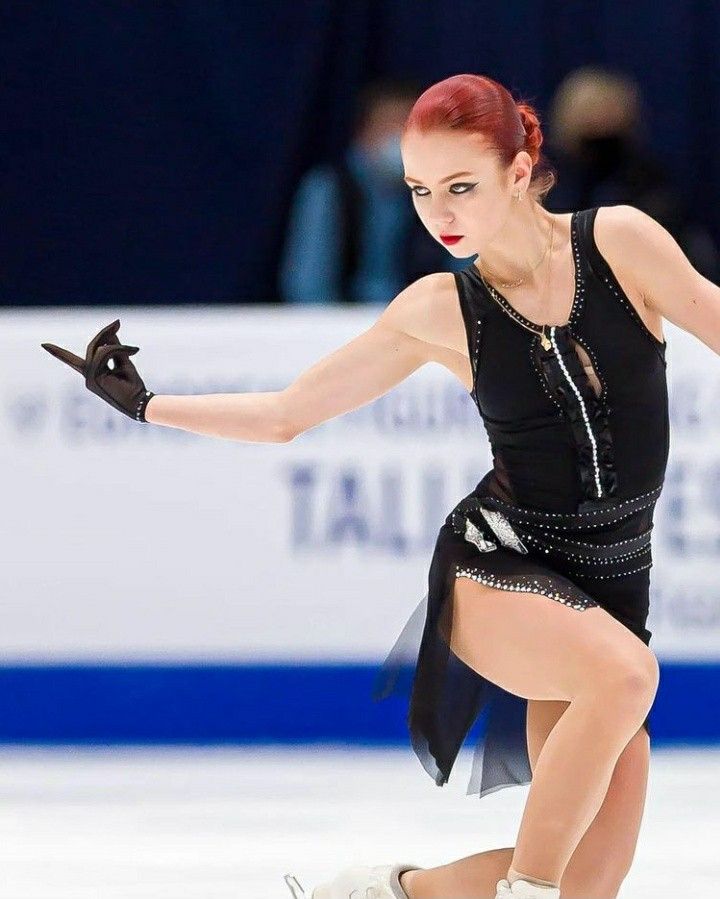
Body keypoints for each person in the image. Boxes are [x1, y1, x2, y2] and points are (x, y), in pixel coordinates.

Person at [40, 72, 720, 898]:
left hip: (615, 589)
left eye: (461, 187)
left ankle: (383, 890)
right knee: (626, 679)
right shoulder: (437, 308)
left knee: (594, 876)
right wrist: (148, 405)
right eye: (421, 189)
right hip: (498, 571)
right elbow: (289, 411)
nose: (440, 213)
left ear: (519, 169)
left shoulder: (621, 241)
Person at [279, 78, 469, 305]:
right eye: (389, 127)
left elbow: (466, 280)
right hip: (339, 326)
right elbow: (307, 286)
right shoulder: (329, 188)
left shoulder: (447, 193)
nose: (400, 140)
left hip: (421, 325)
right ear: (363, 134)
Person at [544, 65, 720, 283]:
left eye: (608, 111)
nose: (599, 121)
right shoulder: (552, 185)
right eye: (590, 111)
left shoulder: (652, 184)